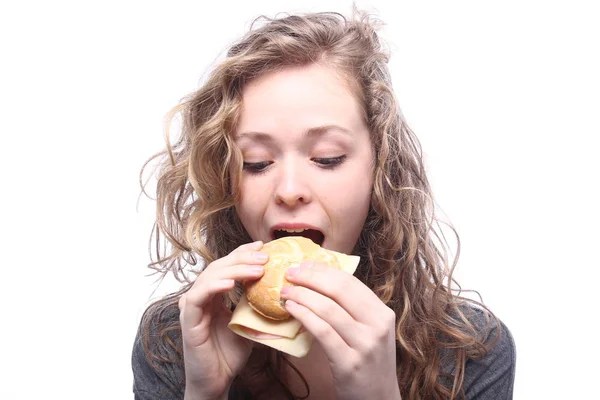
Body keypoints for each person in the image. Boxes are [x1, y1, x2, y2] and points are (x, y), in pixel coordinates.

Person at [131, 9, 516, 400]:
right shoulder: (175, 339)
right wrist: (203, 393)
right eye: (256, 163)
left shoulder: (469, 350)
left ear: (379, 166)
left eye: (327, 157)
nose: (290, 189)